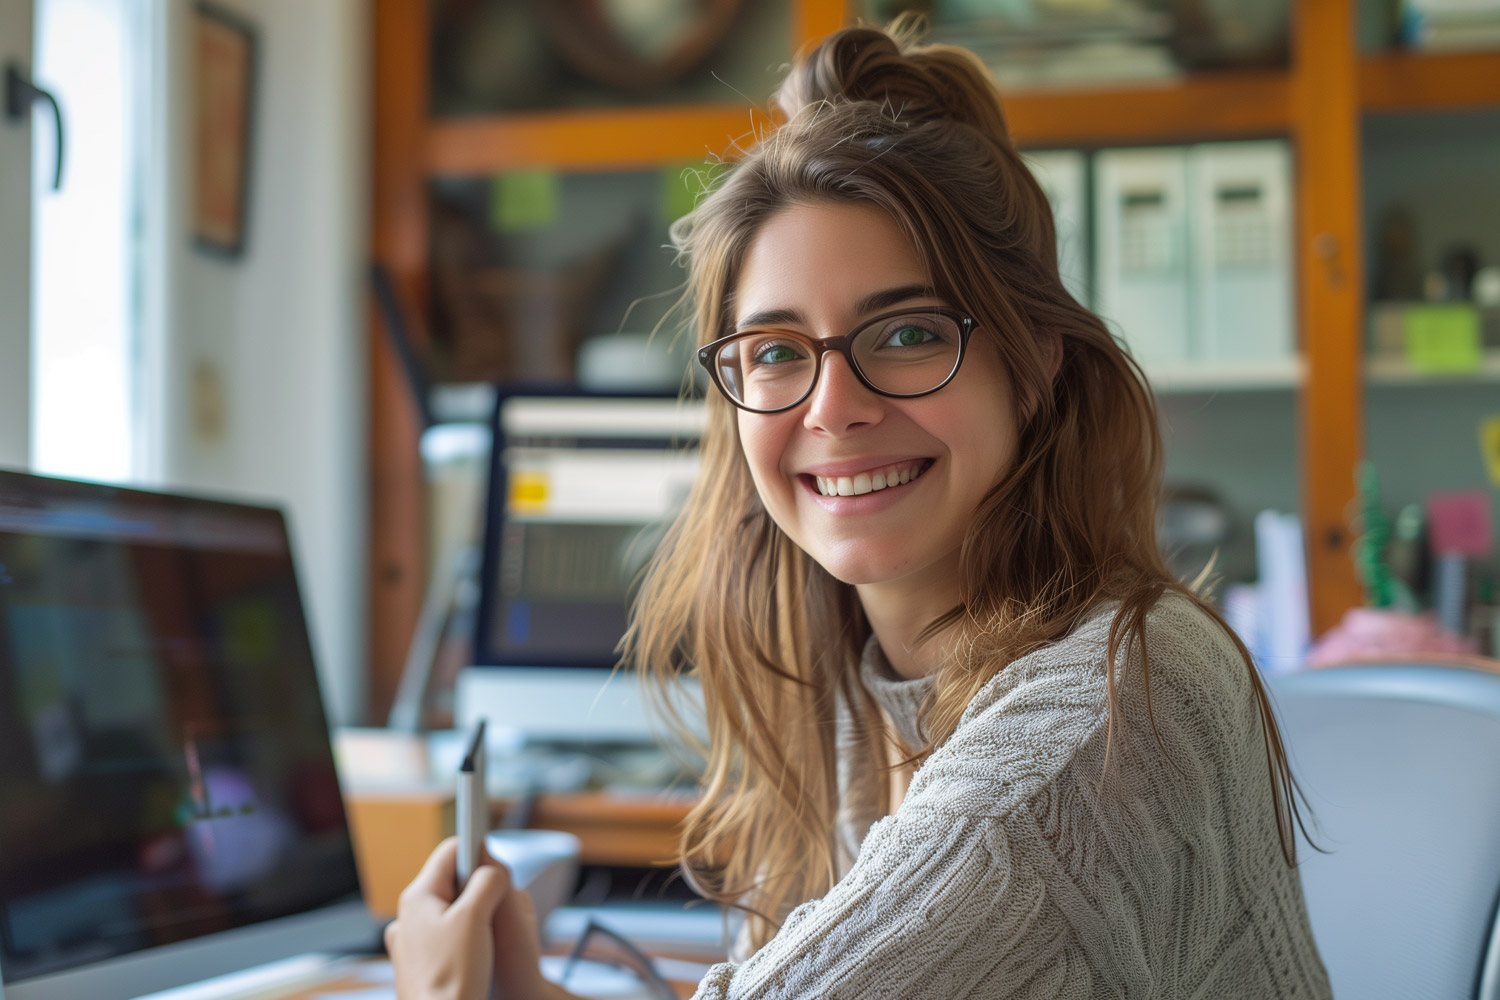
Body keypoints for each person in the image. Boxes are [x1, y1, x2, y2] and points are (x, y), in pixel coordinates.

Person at [383, 20, 1332, 999]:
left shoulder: (1075, 754)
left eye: (909, 332)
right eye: (778, 351)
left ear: (1035, 366)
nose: (833, 407)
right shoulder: (874, 665)